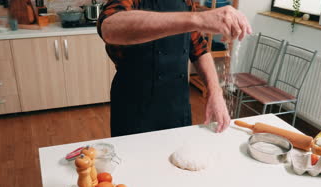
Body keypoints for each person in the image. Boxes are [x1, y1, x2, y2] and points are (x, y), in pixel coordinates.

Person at [97, 0, 252, 137]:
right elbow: (109, 27)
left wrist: (215, 91)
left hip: (177, 104)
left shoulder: (186, 1)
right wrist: (198, 18)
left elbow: (199, 49)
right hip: (135, 107)